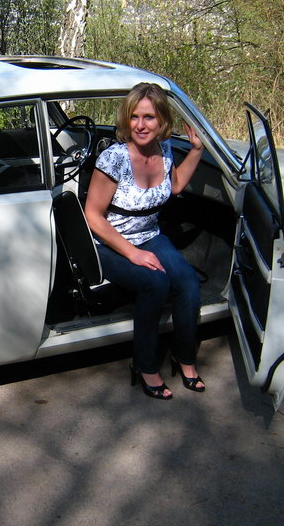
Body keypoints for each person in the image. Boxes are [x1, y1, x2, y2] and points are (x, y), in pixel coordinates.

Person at [83, 82, 205, 400]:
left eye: (148, 117)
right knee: (155, 283)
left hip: (150, 235)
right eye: (134, 116)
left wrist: (197, 150)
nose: (140, 125)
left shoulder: (164, 148)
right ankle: (145, 365)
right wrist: (133, 254)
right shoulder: (114, 159)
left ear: (161, 120)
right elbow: (92, 216)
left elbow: (174, 186)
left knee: (189, 282)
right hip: (109, 243)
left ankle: (184, 358)